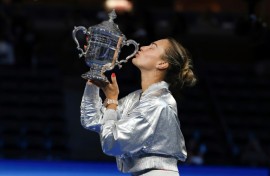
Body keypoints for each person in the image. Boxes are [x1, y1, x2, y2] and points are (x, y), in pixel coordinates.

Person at [80, 37, 197, 176]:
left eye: (152, 46)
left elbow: (112, 143)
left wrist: (112, 101)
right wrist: (97, 69)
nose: (143, 47)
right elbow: (92, 120)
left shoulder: (158, 103)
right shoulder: (136, 98)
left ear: (162, 63)